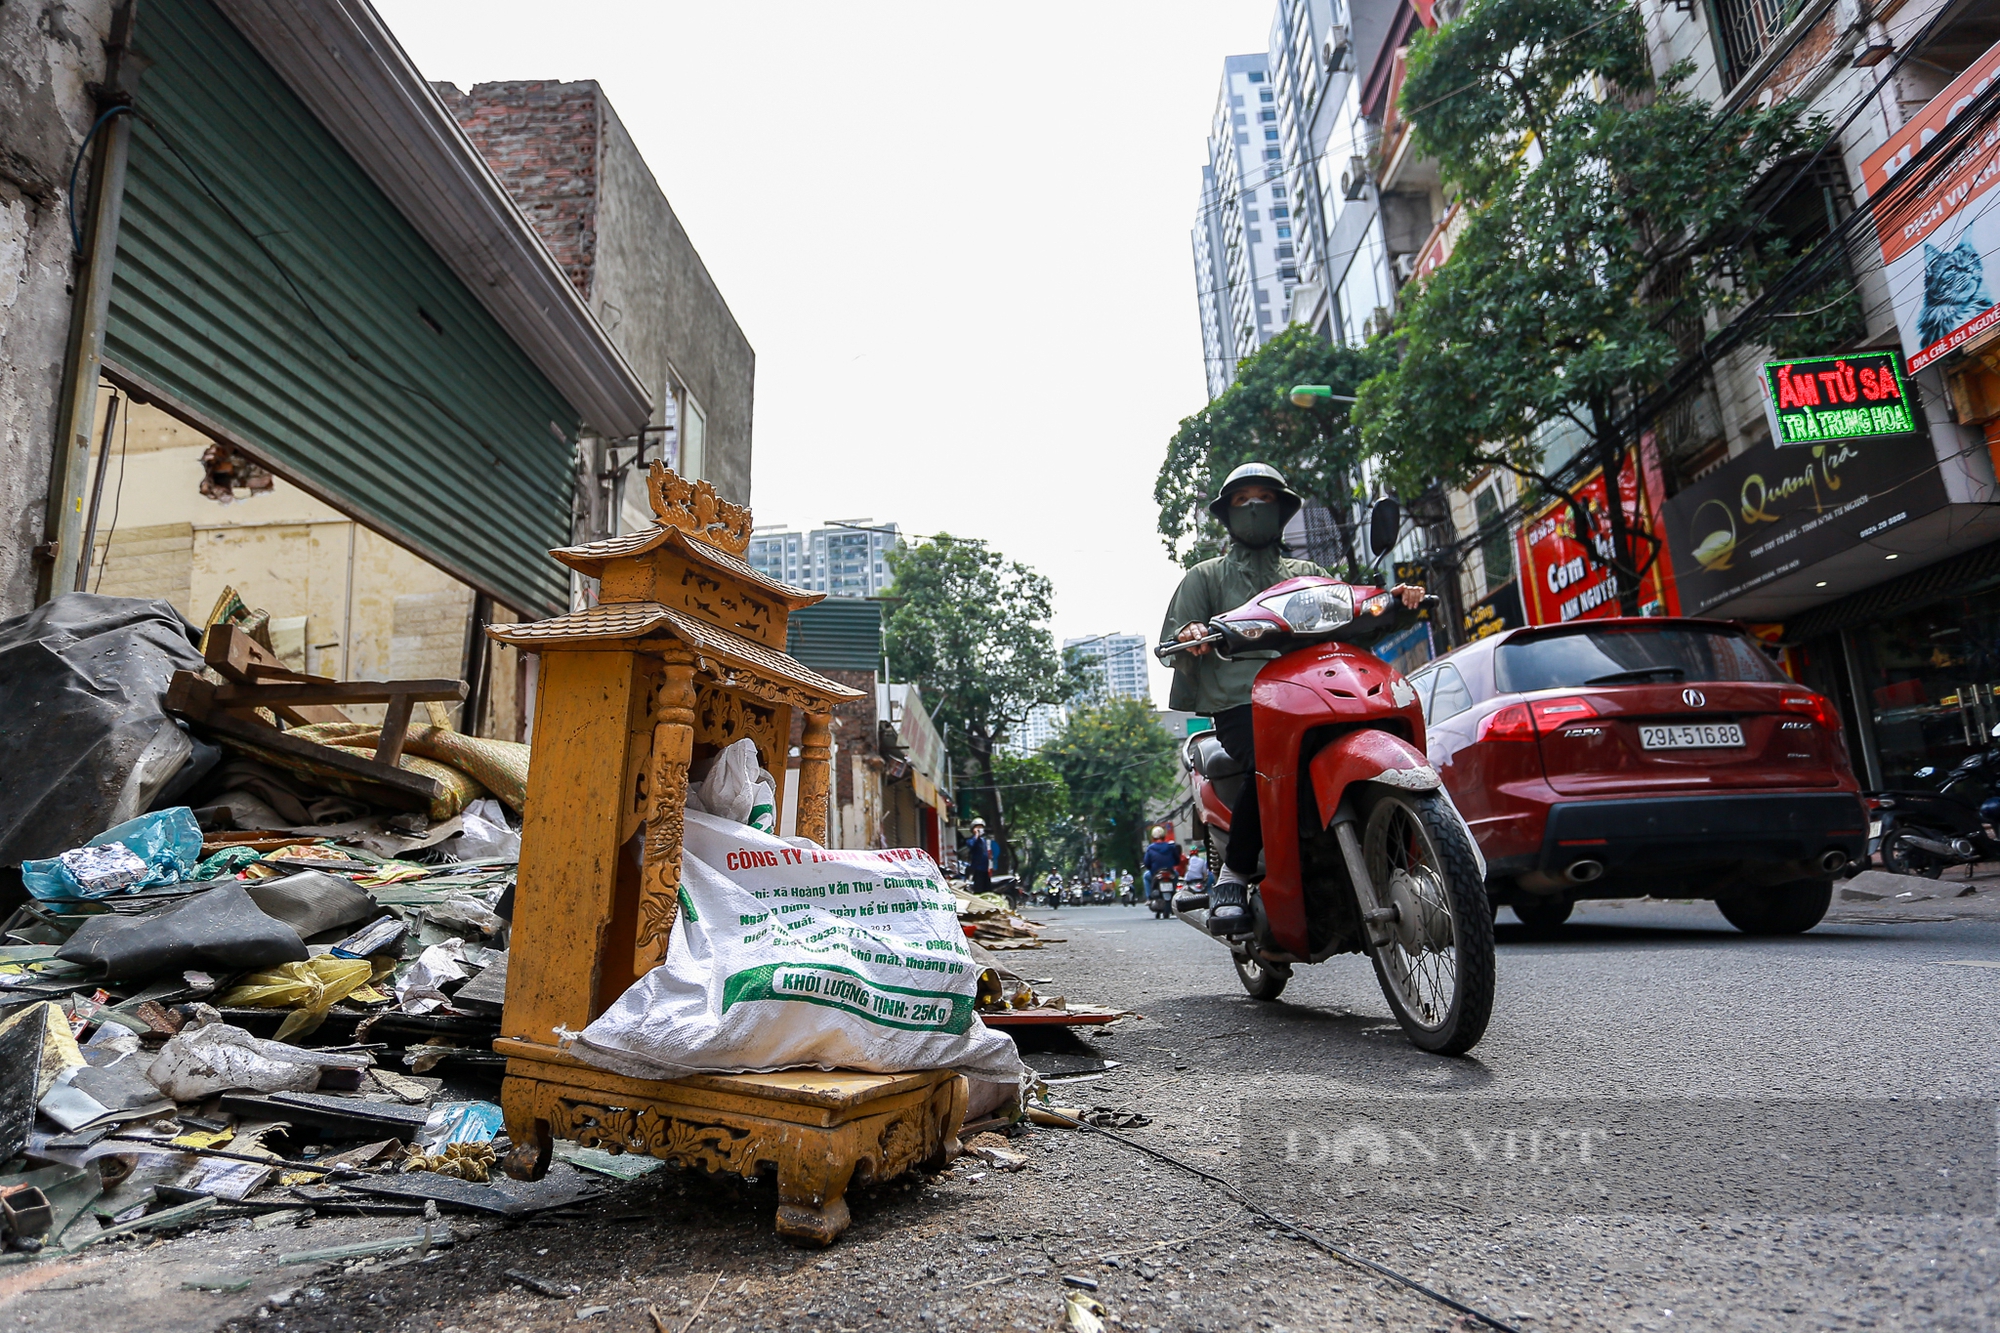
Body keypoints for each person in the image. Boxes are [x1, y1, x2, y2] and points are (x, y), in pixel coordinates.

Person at [1161, 463, 1425, 937]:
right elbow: (1177, 637)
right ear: (1227, 515)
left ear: (1283, 510)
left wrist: (1395, 603)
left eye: (1265, 497)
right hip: (1243, 702)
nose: (1255, 507)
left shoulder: (1308, 575)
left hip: (1315, 694)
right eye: (1243, 500)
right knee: (1267, 763)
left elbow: (1351, 616)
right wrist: (1193, 633)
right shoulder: (1205, 577)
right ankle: (1234, 874)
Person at [1141, 825, 1182, 902]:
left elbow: (1147, 863)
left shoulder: (1150, 848)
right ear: (1164, 836)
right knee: (1176, 875)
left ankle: (1149, 898)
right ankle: (1174, 893)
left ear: (1153, 838)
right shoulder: (1171, 847)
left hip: (1155, 873)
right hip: (1170, 872)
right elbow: (1177, 860)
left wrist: (1151, 868)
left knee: (1146, 876)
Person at [963, 817, 999, 898]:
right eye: (977, 827)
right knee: (978, 891)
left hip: (986, 870)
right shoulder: (971, 840)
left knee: (988, 891)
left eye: (981, 827)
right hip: (977, 870)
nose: (979, 829)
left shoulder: (984, 841)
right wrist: (976, 835)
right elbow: (971, 845)